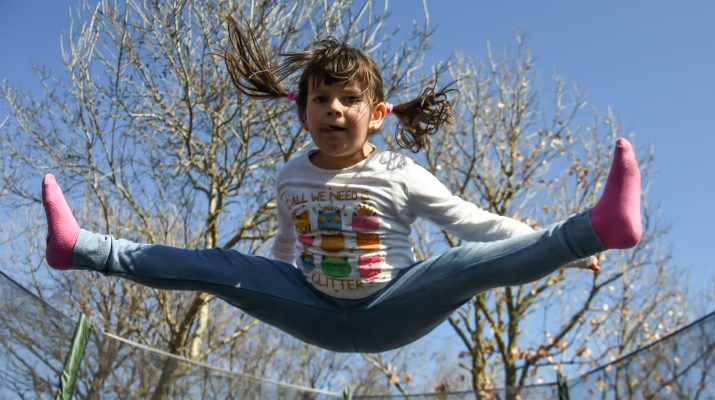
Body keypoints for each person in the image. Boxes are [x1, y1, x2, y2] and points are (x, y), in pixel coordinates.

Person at [41, 18, 641, 353]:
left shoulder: (398, 173)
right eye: (320, 99)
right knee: (219, 267)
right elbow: (281, 250)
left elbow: (472, 221)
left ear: (376, 114)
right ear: (302, 111)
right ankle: (80, 250)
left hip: (394, 305)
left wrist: (552, 250)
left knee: (468, 263)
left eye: (348, 99)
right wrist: (261, 284)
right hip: (313, 308)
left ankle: (593, 230)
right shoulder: (290, 175)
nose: (334, 109)